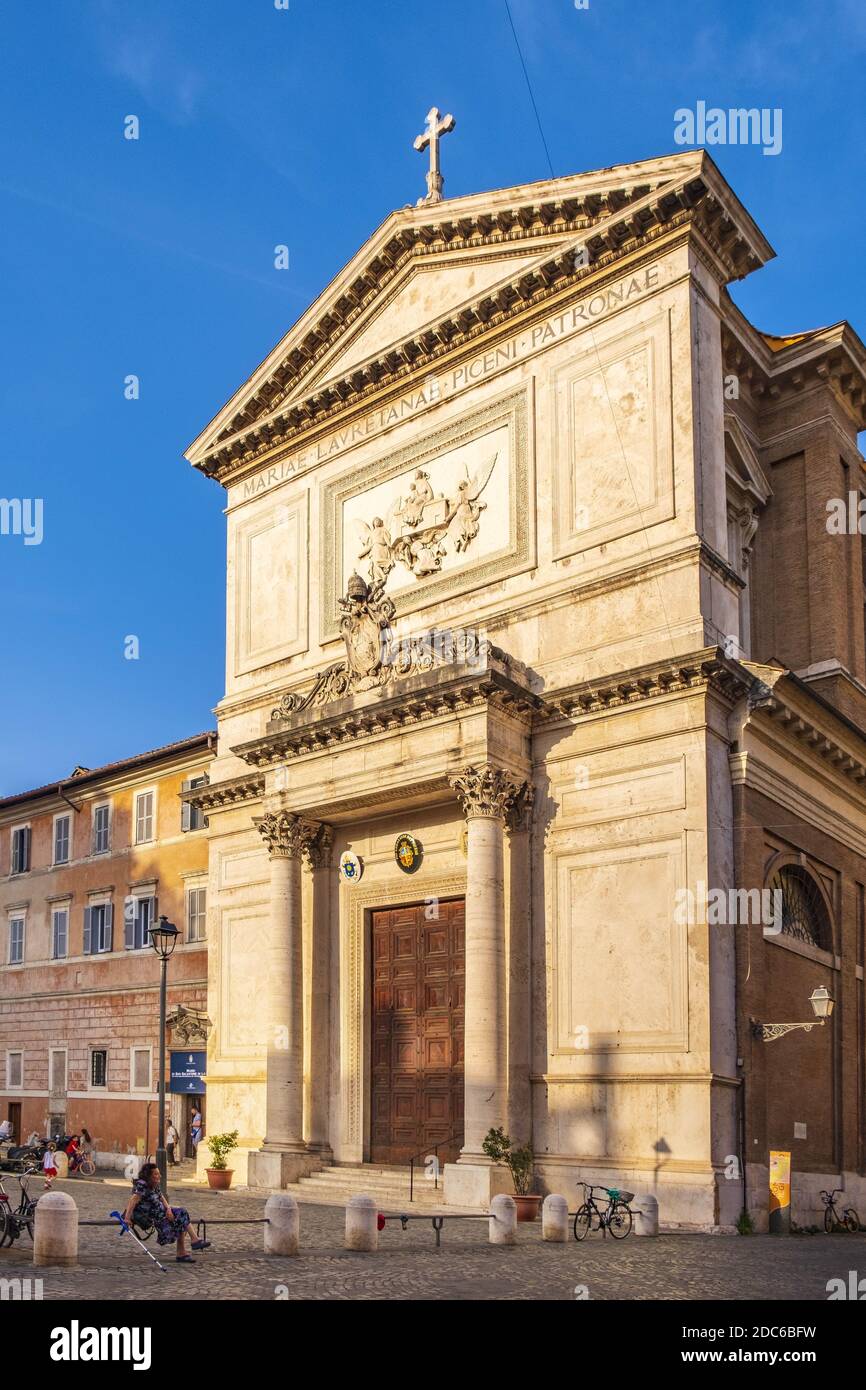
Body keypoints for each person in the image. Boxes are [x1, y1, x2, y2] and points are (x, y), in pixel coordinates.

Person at [121, 1162, 210, 1264]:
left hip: (163, 1213)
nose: (160, 1176)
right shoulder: (142, 1185)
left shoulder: (154, 1185)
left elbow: (161, 1197)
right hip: (154, 1217)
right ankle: (185, 1249)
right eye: (156, 1174)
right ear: (149, 1176)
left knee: (182, 1215)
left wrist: (168, 1209)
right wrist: (127, 1218)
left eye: (159, 1173)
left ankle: (190, 1245)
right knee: (182, 1218)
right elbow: (133, 1200)